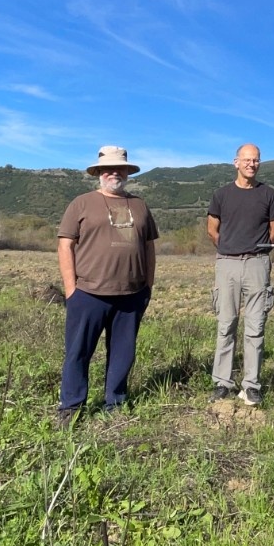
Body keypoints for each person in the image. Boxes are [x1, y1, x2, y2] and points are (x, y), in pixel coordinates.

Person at [56, 145, 158, 420]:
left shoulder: (140, 205)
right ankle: (71, 407)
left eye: (120, 168)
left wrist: (147, 287)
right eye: (108, 169)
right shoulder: (81, 203)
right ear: (99, 172)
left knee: (123, 354)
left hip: (132, 294)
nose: (114, 173)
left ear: (127, 172)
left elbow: (149, 247)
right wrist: (71, 290)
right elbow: (65, 245)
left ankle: (115, 405)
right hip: (89, 293)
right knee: (78, 352)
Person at [206, 144, 274, 404]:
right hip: (227, 263)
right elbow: (212, 230)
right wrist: (230, 248)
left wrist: (257, 250)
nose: (252, 164)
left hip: (257, 264)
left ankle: (251, 385)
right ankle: (222, 383)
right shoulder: (222, 194)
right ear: (236, 162)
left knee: (255, 326)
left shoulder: (269, 194)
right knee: (226, 324)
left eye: (256, 160)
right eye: (247, 160)